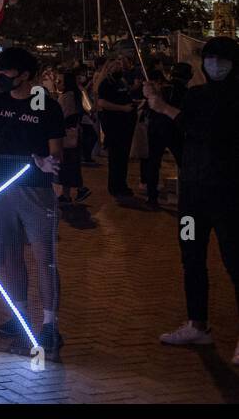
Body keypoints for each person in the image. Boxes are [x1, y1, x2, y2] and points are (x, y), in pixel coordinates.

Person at [147, 37, 239, 364]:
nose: (216, 64)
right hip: (193, 198)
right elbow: (179, 135)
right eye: (211, 58)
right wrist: (157, 108)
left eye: (222, 59)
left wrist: (167, 109)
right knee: (191, 257)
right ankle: (196, 323)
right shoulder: (195, 95)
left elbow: (210, 129)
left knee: (234, 261)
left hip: (229, 197)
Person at [0, 46, 65, 355]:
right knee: (10, 256)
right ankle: (20, 314)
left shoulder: (45, 105)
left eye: (6, 71)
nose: (0, 76)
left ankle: (50, 323)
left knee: (44, 257)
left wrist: (47, 162)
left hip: (34, 189)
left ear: (25, 75)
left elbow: (56, 150)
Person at [141, 62, 190, 210]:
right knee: (184, 163)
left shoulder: (162, 88)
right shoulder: (184, 91)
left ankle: (152, 197)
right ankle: (187, 195)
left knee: (153, 164)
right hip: (174, 130)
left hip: (156, 129)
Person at [96, 53, 138, 199]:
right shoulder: (106, 83)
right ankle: (115, 187)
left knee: (123, 157)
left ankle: (122, 184)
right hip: (115, 125)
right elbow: (101, 103)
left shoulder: (122, 81)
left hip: (126, 124)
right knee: (116, 158)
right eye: (116, 65)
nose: (119, 66)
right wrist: (122, 108)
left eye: (120, 64)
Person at [55, 69, 91, 205]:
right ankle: (67, 194)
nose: (57, 84)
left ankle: (74, 191)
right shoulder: (74, 94)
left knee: (67, 166)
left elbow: (63, 117)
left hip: (67, 137)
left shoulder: (66, 97)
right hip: (74, 135)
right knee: (71, 165)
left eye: (59, 81)